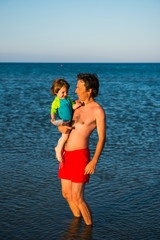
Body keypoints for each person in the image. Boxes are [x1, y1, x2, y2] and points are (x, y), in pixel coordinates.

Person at [54, 73, 106, 225]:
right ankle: (76, 224)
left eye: (78, 87)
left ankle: (89, 229)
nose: (75, 91)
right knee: (66, 194)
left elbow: (102, 138)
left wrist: (94, 161)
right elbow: (62, 124)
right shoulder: (75, 106)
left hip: (80, 156)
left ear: (89, 90)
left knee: (77, 197)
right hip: (66, 154)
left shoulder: (97, 111)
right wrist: (61, 127)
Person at [50, 78, 81, 162]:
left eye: (66, 92)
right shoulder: (56, 101)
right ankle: (58, 152)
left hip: (69, 121)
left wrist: (78, 105)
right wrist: (53, 118)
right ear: (56, 92)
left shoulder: (68, 99)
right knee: (65, 136)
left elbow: (72, 107)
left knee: (65, 136)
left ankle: (58, 147)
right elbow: (53, 111)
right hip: (63, 121)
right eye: (62, 92)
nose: (65, 94)